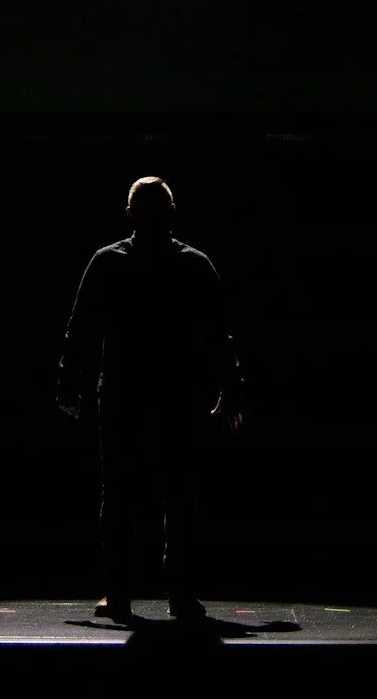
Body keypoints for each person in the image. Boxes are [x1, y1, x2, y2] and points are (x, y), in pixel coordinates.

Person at [54, 176, 246, 622]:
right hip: (169, 394)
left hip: (126, 392)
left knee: (124, 494)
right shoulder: (193, 264)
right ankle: (177, 595)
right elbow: (220, 336)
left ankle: (122, 594)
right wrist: (230, 389)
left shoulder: (109, 261)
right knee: (176, 494)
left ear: (129, 214)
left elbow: (78, 329)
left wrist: (69, 384)